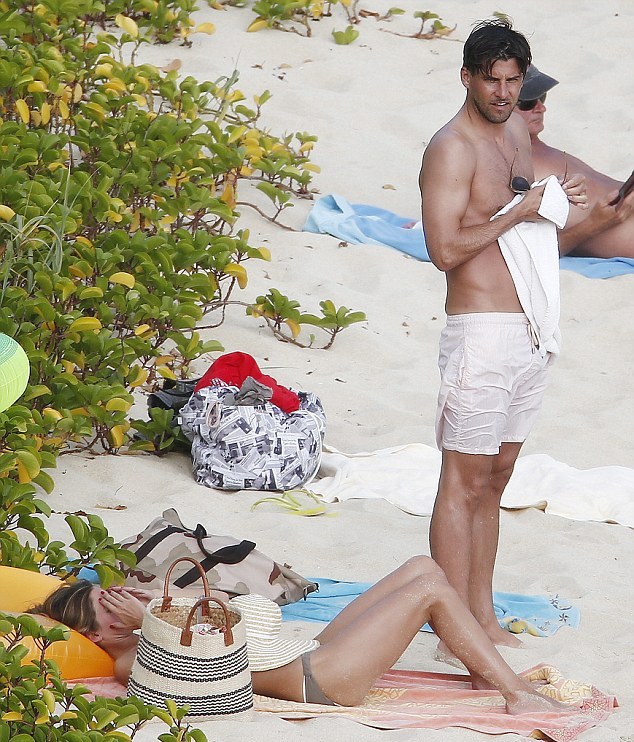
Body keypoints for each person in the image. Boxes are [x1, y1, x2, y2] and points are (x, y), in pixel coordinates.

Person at [418, 19, 585, 661]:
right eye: (493, 80)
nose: (505, 93)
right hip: (480, 331)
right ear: (466, 77)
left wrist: (556, 202)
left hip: (531, 327)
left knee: (496, 477)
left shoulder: (515, 131)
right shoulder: (450, 148)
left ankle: (481, 615)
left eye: (514, 81)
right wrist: (519, 212)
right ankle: (452, 628)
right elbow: (443, 250)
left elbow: (528, 212)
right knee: (462, 480)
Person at [28, 556, 569, 714]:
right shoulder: (130, 662)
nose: (120, 599)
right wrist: (147, 621)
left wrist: (152, 605)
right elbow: (187, 680)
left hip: (308, 650)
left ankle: (481, 674)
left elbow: (236, 615)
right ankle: (515, 692)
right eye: (107, 606)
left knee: (422, 569)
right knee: (430, 594)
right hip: (321, 680)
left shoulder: (160, 620)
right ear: (95, 633)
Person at [514, 65, 634, 258]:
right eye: (528, 103)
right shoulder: (512, 168)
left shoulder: (540, 149)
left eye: (542, 97)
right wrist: (594, 224)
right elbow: (527, 253)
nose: (541, 108)